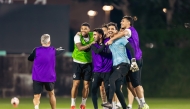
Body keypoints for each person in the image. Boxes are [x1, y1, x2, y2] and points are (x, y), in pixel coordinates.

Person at [106, 16, 149, 109]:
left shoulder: (130, 30)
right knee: (129, 84)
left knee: (136, 83)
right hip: (129, 61)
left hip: (135, 60)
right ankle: (139, 103)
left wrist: (111, 39)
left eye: (123, 21)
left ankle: (144, 104)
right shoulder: (127, 32)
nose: (121, 22)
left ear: (129, 23)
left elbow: (123, 34)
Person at [102, 22, 139, 109]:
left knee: (111, 79)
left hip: (124, 64)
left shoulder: (121, 39)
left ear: (116, 30)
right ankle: (125, 107)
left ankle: (110, 102)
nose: (110, 30)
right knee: (118, 90)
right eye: (109, 29)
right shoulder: (109, 42)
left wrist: (133, 61)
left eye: (112, 29)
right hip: (116, 66)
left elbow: (131, 48)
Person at [28, 34, 64, 109]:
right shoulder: (53, 50)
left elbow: (30, 58)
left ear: (41, 41)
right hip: (49, 77)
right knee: (51, 94)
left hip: (37, 77)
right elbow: (62, 50)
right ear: (49, 42)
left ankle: (36, 107)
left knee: (36, 96)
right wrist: (58, 49)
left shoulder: (36, 50)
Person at [71, 22, 95, 109]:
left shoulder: (93, 35)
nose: (83, 30)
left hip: (88, 63)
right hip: (77, 62)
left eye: (85, 29)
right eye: (82, 29)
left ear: (89, 30)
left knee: (86, 85)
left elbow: (102, 33)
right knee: (76, 83)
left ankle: (83, 104)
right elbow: (80, 48)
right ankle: (73, 104)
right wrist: (91, 44)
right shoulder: (77, 36)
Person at [91, 28, 112, 109]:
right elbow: (98, 51)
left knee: (107, 89)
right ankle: (96, 108)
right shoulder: (93, 45)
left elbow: (115, 35)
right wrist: (105, 44)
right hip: (97, 71)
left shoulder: (108, 41)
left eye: (95, 34)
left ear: (100, 35)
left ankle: (109, 105)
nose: (93, 36)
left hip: (107, 70)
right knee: (93, 90)